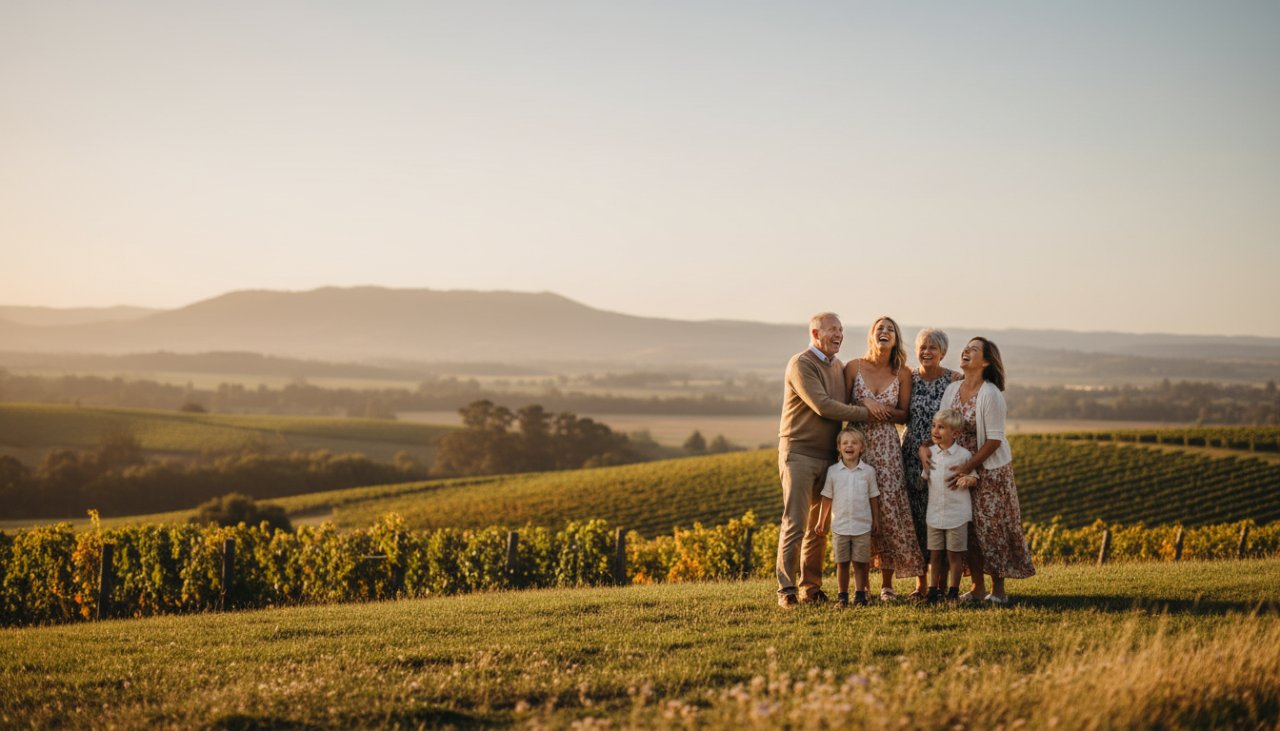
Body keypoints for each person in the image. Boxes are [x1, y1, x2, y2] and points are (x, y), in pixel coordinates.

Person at [926, 337, 1035, 604]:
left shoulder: (991, 394)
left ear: (985, 362)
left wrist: (968, 466)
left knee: (992, 527)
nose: (965, 351)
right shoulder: (952, 389)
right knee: (969, 528)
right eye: (966, 348)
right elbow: (941, 426)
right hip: (958, 463)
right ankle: (976, 588)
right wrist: (927, 449)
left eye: (973, 350)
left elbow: (994, 439)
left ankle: (998, 590)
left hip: (989, 469)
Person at [776, 312, 872, 608]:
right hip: (800, 453)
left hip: (827, 457)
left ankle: (811, 587)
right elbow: (823, 406)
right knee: (796, 523)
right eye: (833, 329)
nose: (839, 334)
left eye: (841, 330)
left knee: (819, 526)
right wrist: (868, 413)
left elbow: (848, 401)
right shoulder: (801, 363)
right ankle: (786, 590)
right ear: (816, 334)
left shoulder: (838, 366)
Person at [844, 315, 923, 602]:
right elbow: (842, 405)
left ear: (896, 338)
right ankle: (860, 587)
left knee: (888, 512)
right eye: (880, 328)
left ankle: (887, 586)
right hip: (857, 445)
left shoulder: (902, 372)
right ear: (871, 336)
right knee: (858, 511)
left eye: (890, 329)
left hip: (888, 448)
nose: (885, 332)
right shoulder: (853, 367)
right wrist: (866, 403)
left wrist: (882, 411)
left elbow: (904, 415)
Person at [900, 328, 962, 598]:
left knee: (941, 517)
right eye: (922, 347)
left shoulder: (953, 380)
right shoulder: (908, 378)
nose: (926, 352)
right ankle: (921, 584)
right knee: (916, 519)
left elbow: (956, 420)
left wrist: (933, 446)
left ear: (943, 353)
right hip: (912, 454)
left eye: (932, 348)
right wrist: (919, 448)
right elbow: (902, 413)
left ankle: (942, 584)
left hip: (942, 457)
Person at [815, 427, 882, 608]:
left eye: (854, 443)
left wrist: (876, 519)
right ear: (839, 447)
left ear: (862, 447)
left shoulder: (868, 472)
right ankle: (842, 597)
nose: (849, 446)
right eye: (845, 443)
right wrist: (821, 521)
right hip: (840, 526)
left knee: (861, 563)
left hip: (862, 526)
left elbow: (873, 496)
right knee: (842, 563)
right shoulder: (833, 472)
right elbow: (827, 497)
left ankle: (860, 596)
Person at [922, 408, 976, 603]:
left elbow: (974, 477)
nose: (935, 430)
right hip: (934, 515)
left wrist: (968, 480)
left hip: (957, 515)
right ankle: (932, 592)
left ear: (955, 434)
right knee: (934, 555)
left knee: (954, 555)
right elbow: (925, 478)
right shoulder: (930, 455)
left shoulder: (963, 455)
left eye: (941, 427)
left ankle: (953, 592)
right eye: (934, 426)